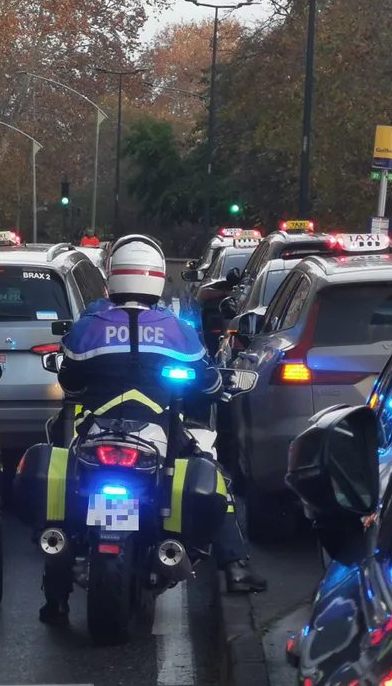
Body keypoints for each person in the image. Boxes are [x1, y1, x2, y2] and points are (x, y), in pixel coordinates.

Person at [38, 234, 266, 626]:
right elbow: (206, 384)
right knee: (212, 473)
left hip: (95, 430)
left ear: (114, 275)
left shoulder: (89, 325)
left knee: (60, 489)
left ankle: (56, 598)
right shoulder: (177, 329)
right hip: (157, 431)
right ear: (158, 277)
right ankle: (236, 566)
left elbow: (70, 382)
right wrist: (210, 387)